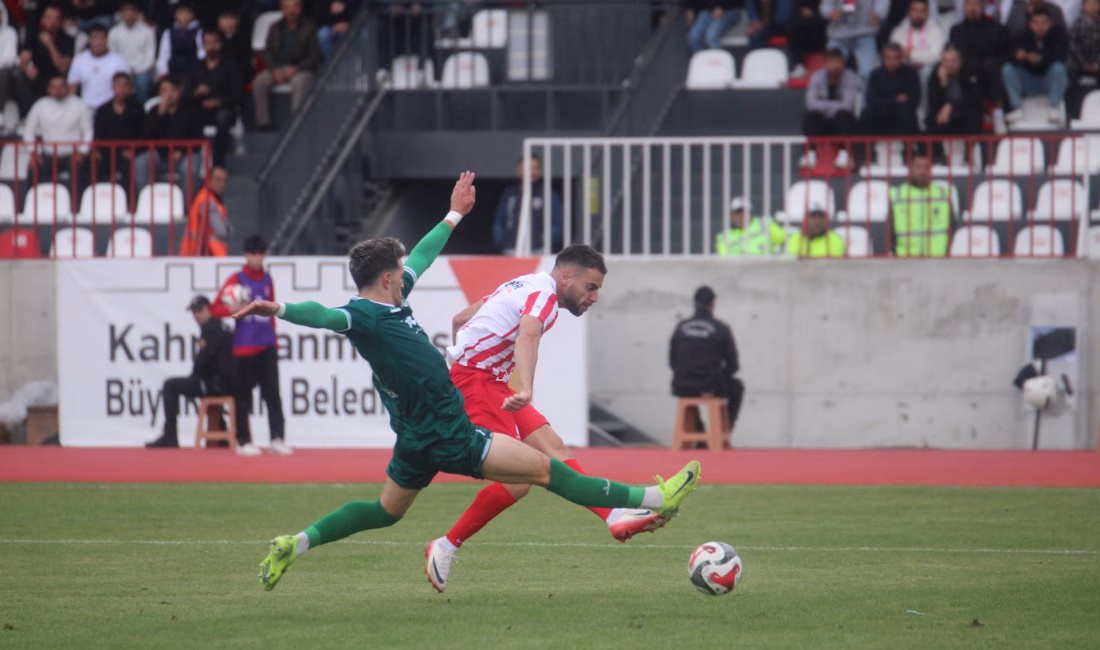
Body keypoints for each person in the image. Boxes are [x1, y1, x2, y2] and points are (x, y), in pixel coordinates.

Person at [240, 172, 701, 592]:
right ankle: (650, 497)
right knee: (543, 471)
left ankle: (295, 543)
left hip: (415, 437)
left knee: (386, 511)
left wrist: (455, 213)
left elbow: (422, 253)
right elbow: (322, 315)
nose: (409, 274)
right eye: (401, 272)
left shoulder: (393, 300)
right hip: (449, 429)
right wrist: (279, 310)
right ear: (386, 279)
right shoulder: (364, 316)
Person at [424, 245, 664, 592]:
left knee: (556, 449)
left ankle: (613, 517)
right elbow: (528, 335)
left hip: (488, 381)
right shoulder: (544, 295)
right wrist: (524, 388)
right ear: (566, 276)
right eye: (591, 287)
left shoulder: (523, 284)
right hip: (479, 383)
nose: (594, 297)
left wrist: (470, 354)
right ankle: (446, 544)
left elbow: (461, 319)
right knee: (517, 480)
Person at [209, 235, 289, 456]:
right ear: (246, 255)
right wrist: (233, 308)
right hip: (244, 348)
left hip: (266, 346)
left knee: (273, 394)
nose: (257, 259)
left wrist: (274, 339)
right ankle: (244, 441)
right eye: (253, 254)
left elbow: (272, 312)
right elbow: (215, 309)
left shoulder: (267, 280)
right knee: (243, 397)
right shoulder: (237, 279)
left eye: (261, 254)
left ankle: (277, 438)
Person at [145, 295, 237, 448]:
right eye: (194, 312)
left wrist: (194, 378)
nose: (197, 315)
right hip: (229, 382)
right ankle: (221, 432)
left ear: (210, 309)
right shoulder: (221, 326)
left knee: (170, 386)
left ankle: (170, 435)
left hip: (218, 384)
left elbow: (203, 361)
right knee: (196, 382)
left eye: (200, 310)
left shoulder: (211, 328)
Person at [669, 286, 743, 432]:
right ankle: (724, 431)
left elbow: (672, 361)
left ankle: (700, 434)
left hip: (682, 386)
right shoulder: (721, 328)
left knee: (690, 391)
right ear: (713, 304)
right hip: (712, 386)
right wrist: (716, 379)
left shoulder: (680, 327)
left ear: (694, 303)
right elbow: (733, 366)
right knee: (737, 386)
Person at [253, 0, 321, 130]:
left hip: (301, 69)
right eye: (287, 7)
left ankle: (296, 123)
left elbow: (315, 57)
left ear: (300, 8)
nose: (291, 11)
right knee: (259, 81)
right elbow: (268, 53)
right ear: (282, 9)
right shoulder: (274, 27)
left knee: (299, 82)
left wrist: (296, 69)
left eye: (295, 7)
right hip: (278, 68)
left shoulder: (309, 28)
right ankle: (263, 123)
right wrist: (274, 70)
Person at [132, 75, 203, 191]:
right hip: (160, 156)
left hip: (183, 156)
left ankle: (187, 207)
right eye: (165, 90)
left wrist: (181, 151)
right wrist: (159, 115)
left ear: (179, 92)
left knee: (190, 167)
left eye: (173, 90)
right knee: (141, 162)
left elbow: (198, 138)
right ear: (159, 93)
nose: (169, 94)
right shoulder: (153, 112)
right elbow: (144, 137)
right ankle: (144, 201)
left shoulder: (190, 111)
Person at [949, 0, 1011, 130]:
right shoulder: (956, 30)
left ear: (983, 7)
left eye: (977, 4)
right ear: (964, 7)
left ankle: (998, 114)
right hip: (966, 73)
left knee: (992, 66)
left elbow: (995, 49)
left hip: (988, 73)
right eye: (969, 4)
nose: (973, 8)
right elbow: (960, 51)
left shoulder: (995, 28)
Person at [1001, 6, 1069, 124]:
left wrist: (1040, 58)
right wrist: (1018, 56)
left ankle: (1053, 107)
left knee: (1059, 68)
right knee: (1008, 69)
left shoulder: (1059, 35)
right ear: (1030, 24)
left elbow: (1061, 56)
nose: (1040, 27)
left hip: (1049, 80)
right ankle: (1017, 107)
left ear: (1050, 23)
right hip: (1029, 81)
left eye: (1044, 22)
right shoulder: (1022, 36)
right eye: (1036, 23)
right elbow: (1007, 55)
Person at [23, 75, 92, 188]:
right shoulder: (40, 105)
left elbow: (88, 131)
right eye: (54, 87)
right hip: (48, 155)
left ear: (68, 88)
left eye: (62, 86)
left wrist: (82, 152)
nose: (58, 90)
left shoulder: (79, 105)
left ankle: (77, 204)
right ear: (48, 89)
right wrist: (34, 153)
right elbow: (28, 132)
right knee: (33, 168)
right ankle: (32, 202)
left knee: (80, 168)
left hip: (73, 155)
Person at [187, 30, 242, 166]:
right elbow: (186, 94)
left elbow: (237, 95)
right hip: (200, 108)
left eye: (215, 42)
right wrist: (196, 93)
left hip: (224, 109)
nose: (211, 46)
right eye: (207, 43)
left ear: (221, 44)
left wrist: (218, 102)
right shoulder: (195, 66)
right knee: (188, 118)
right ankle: (195, 161)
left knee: (222, 119)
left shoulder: (230, 66)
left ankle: (219, 164)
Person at [802, 47, 861, 169]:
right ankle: (810, 154)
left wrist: (823, 104)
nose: (835, 66)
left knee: (843, 115)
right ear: (825, 63)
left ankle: (845, 154)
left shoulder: (851, 77)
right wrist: (835, 104)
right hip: (822, 123)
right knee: (811, 115)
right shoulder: (817, 77)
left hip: (842, 124)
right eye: (832, 62)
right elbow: (811, 103)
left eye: (838, 62)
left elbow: (848, 105)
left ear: (843, 63)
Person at [492, 155, 563, 255]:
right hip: (511, 250)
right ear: (519, 170)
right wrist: (502, 241)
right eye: (529, 168)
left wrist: (547, 240)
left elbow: (557, 221)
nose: (532, 171)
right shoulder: (510, 194)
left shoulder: (548, 194)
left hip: (540, 250)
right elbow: (499, 220)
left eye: (536, 168)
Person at [888, 152, 954, 257]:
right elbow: (889, 230)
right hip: (906, 260)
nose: (922, 171)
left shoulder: (943, 195)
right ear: (910, 168)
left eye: (926, 167)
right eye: (918, 167)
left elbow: (952, 227)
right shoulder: (898, 195)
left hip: (938, 260)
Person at [926, 45, 984, 155]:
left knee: (969, 116)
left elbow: (973, 100)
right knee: (931, 119)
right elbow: (933, 102)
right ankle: (937, 157)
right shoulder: (935, 75)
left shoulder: (970, 73)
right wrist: (943, 84)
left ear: (961, 61)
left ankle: (970, 156)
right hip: (943, 116)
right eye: (945, 61)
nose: (949, 65)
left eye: (953, 60)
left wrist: (950, 106)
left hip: (965, 114)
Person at [92, 71, 144, 187]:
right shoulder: (103, 110)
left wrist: (134, 151)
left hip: (128, 153)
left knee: (129, 167)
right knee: (93, 164)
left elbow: (142, 135)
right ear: (113, 87)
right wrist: (97, 151)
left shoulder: (137, 109)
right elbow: (97, 134)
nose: (122, 89)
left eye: (125, 85)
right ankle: (94, 199)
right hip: (107, 152)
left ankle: (130, 202)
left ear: (130, 88)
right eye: (118, 85)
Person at [860, 42, 921, 136]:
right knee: (867, 113)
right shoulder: (876, 74)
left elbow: (914, 98)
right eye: (888, 58)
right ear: (882, 59)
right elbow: (870, 99)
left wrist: (885, 99)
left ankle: (911, 148)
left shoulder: (911, 73)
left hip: (901, 114)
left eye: (896, 58)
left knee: (906, 113)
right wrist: (895, 100)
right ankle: (866, 149)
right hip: (880, 114)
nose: (892, 62)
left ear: (901, 58)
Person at [821, 0, 889, 84]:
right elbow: (825, 6)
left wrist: (879, 13)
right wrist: (830, 12)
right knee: (831, 69)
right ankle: (834, 96)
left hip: (865, 34)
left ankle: (865, 96)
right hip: (838, 35)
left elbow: (882, 5)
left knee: (868, 72)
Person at [67, 24, 131, 110]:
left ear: (107, 39)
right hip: (86, 108)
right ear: (89, 40)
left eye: (102, 38)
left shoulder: (118, 60)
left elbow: (125, 88)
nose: (98, 42)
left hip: (110, 109)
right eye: (95, 38)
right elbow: (72, 87)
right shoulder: (79, 59)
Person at [19, 5, 74, 102]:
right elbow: (23, 61)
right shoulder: (33, 36)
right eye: (49, 18)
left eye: (56, 18)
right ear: (42, 19)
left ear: (61, 21)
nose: (53, 22)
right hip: (37, 76)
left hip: (57, 77)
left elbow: (63, 68)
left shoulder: (67, 40)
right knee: (22, 79)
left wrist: (50, 45)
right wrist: (27, 69)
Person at [108, 1, 157, 102]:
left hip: (141, 71)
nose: (129, 14)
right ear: (121, 13)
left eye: (132, 11)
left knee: (142, 82)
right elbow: (112, 56)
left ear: (137, 13)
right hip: (120, 71)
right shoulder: (114, 32)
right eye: (126, 11)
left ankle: (141, 110)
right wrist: (125, 71)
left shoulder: (148, 31)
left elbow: (150, 56)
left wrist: (138, 71)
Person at [180, 166, 230, 256]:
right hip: (197, 253)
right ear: (208, 181)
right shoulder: (206, 201)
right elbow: (222, 232)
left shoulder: (213, 199)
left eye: (224, 180)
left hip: (204, 252)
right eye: (218, 180)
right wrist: (226, 229)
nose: (222, 184)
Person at [714, 196, 788, 256]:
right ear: (731, 216)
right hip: (737, 272)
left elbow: (789, 237)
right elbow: (723, 262)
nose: (740, 216)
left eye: (743, 212)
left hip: (767, 270)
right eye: (736, 213)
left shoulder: (765, 225)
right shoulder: (723, 237)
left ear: (751, 214)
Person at [889, 0, 945, 76]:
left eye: (922, 11)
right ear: (909, 12)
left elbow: (936, 56)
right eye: (915, 10)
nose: (919, 15)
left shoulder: (935, 30)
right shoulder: (899, 31)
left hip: (928, 73)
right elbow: (894, 54)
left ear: (927, 13)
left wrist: (911, 55)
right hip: (904, 74)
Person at [687, 0, 763, 53]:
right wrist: (691, 9)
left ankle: (720, 67)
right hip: (708, 10)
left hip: (730, 9)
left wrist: (722, 6)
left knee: (711, 36)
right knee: (694, 37)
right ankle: (702, 66)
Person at [155, 3, 204, 79]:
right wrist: (164, 73)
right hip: (173, 72)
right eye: (181, 12)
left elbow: (202, 54)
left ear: (193, 15)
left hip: (193, 73)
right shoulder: (168, 33)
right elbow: (163, 56)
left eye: (188, 12)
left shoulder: (199, 32)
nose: (184, 16)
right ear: (175, 15)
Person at [1068, 0, 1100, 118]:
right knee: (1070, 80)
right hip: (1079, 65)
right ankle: (1072, 113)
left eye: (1095, 4)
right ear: (1083, 6)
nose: (1092, 7)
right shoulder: (1077, 23)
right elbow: (1073, 45)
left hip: (1098, 64)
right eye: (1089, 4)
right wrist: (1085, 64)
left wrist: (1097, 63)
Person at [788, 0, 829, 77]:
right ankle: (799, 64)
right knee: (794, 27)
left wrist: (815, 14)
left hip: (825, 22)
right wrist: (802, 11)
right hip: (805, 24)